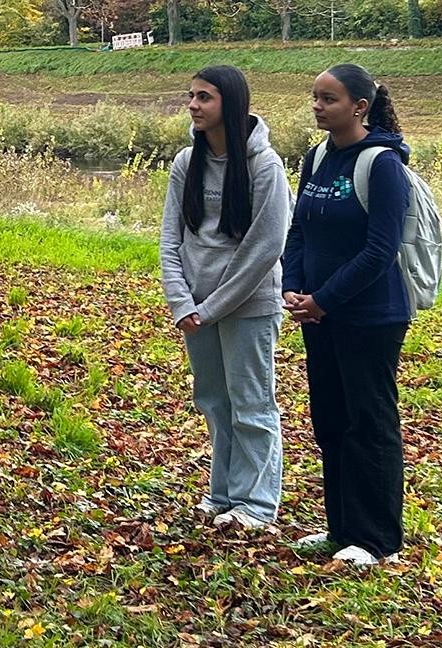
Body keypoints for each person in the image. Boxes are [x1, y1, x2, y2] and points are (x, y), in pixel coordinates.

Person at [281, 63, 410, 567]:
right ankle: (341, 529)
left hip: (370, 317)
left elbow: (380, 250)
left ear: (359, 107)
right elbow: (300, 230)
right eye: (314, 97)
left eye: (328, 99)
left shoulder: (382, 164)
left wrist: (326, 298)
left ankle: (377, 539)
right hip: (319, 314)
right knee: (330, 420)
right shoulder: (316, 157)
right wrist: (294, 286)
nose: (317, 106)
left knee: (369, 423)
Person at [158, 65, 295, 530]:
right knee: (214, 400)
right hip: (195, 308)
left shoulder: (264, 165)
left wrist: (210, 308)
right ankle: (223, 496)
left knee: (251, 402)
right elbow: (171, 240)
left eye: (204, 97)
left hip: (248, 306)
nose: (193, 105)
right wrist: (182, 303)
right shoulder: (185, 163)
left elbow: (264, 248)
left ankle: (256, 505)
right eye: (191, 96)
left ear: (230, 104)